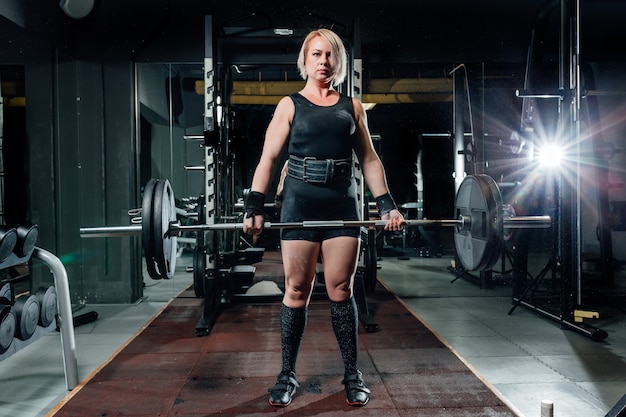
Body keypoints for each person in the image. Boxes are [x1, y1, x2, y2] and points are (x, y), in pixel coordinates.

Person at [242, 28, 404, 408]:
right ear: (305, 60)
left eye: (329, 55)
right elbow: (269, 159)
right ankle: (287, 374)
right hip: (299, 205)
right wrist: (254, 206)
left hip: (341, 207)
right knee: (296, 291)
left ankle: (352, 373)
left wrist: (386, 205)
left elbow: (368, 160)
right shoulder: (289, 105)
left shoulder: (353, 107)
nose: (323, 62)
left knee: (341, 290)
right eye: (316, 55)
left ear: (338, 62)